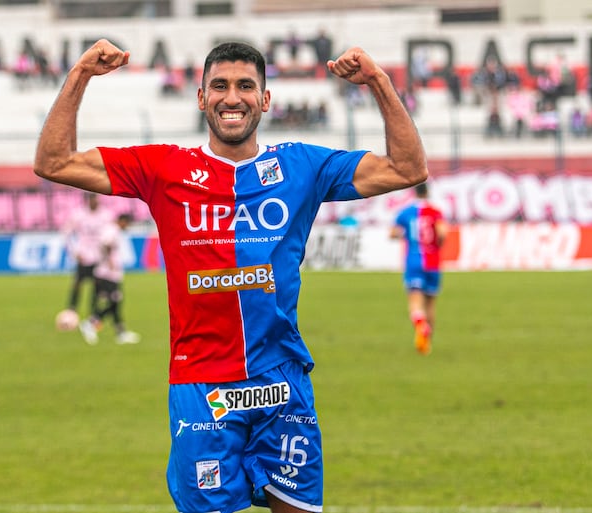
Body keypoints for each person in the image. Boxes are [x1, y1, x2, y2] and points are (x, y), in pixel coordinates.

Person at [34, 39, 427, 513]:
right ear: (201, 97)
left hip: (281, 382)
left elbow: (407, 168)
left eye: (245, 86)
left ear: (265, 99)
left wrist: (378, 84)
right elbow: (53, 162)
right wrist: (80, 74)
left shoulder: (301, 166)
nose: (232, 97)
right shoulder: (164, 168)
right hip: (201, 389)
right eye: (219, 86)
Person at [390, 182, 447, 356]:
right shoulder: (435, 212)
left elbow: (393, 233)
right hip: (433, 262)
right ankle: (427, 344)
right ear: (428, 192)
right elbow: (442, 234)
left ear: (414, 192)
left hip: (414, 260)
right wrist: (436, 246)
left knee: (415, 301)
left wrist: (407, 235)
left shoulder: (406, 212)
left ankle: (420, 325)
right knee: (430, 302)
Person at [79, 213, 141, 345]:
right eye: (127, 223)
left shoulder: (112, 229)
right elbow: (105, 244)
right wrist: (109, 261)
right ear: (122, 221)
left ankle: (121, 333)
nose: (127, 226)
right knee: (115, 300)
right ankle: (92, 322)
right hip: (107, 274)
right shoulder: (112, 230)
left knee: (116, 303)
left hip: (110, 273)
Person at [61, 192, 114, 317]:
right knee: (78, 282)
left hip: (99, 256)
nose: (94, 202)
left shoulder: (106, 215)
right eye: (92, 199)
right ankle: (72, 309)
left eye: (96, 199)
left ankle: (93, 311)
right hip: (84, 255)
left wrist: (108, 255)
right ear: (87, 200)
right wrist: (74, 252)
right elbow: (66, 233)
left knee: (97, 284)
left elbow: (111, 234)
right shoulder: (78, 215)